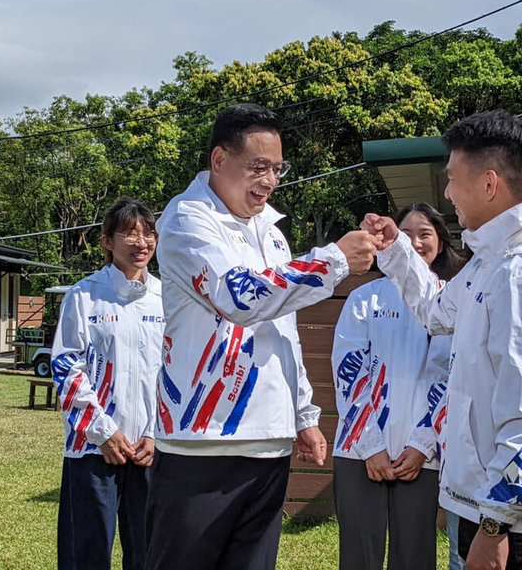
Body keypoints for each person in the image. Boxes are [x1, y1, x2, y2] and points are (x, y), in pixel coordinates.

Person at [145, 103, 379, 570]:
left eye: (277, 168)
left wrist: (303, 414)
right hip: (203, 440)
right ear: (218, 160)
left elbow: (283, 330)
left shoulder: (271, 232)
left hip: (268, 440)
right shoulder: (188, 221)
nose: (270, 181)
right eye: (258, 167)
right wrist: (332, 260)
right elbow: (239, 298)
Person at [361, 110, 522, 570]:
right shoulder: (494, 260)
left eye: (451, 179)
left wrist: (494, 527)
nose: (446, 192)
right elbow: (438, 311)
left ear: (489, 184)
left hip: (518, 525)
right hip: (492, 507)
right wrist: (397, 251)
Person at [332, 202, 469, 570]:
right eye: (405, 235)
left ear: (441, 241)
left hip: (421, 456)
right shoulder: (365, 298)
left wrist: (422, 446)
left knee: (415, 556)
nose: (414, 243)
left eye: (425, 234)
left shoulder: (450, 301)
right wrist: (371, 446)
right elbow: (349, 375)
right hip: (358, 452)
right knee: (359, 555)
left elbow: (450, 377)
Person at [52, 197, 164, 570]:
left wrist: (156, 433)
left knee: (149, 553)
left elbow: (176, 371)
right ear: (106, 242)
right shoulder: (84, 296)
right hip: (92, 449)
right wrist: (103, 432)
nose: (141, 243)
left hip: (150, 449)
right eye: (129, 234)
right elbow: (67, 368)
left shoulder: (167, 299)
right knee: (87, 553)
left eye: (148, 234)